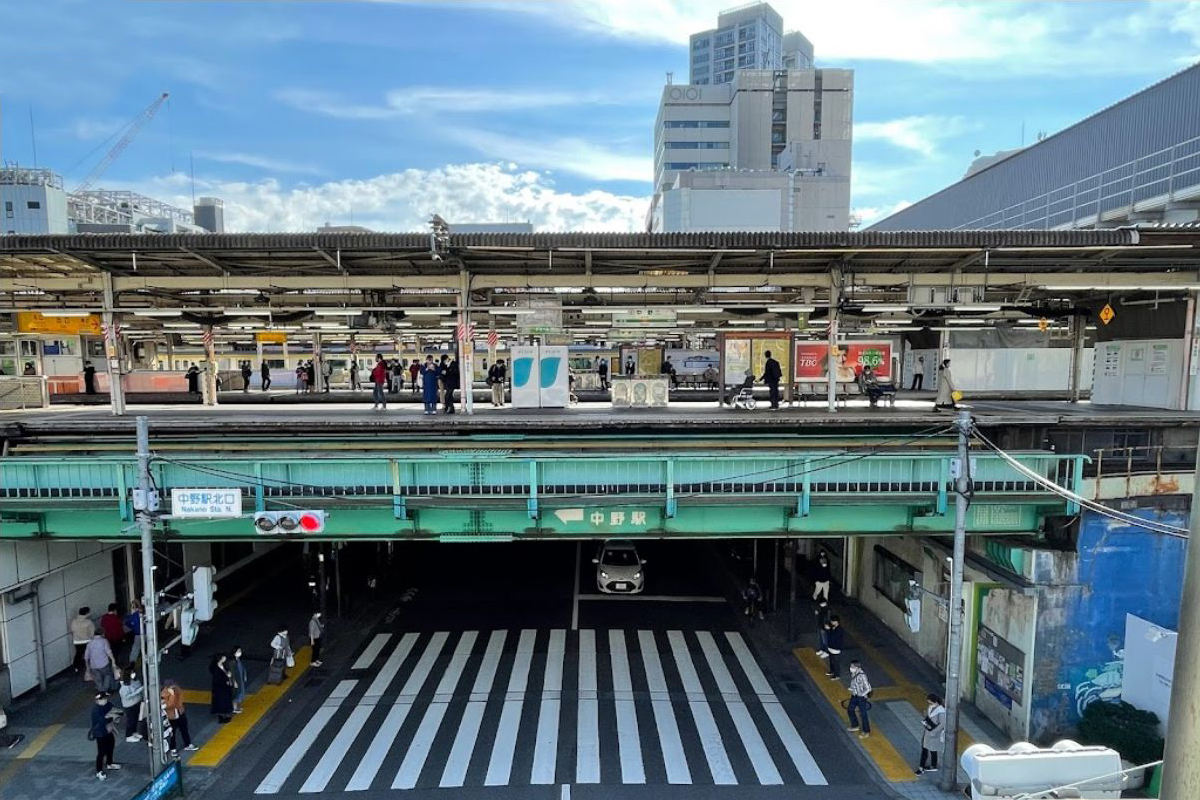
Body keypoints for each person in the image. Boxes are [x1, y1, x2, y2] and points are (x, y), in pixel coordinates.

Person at [90, 693, 121, 781]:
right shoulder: (96, 710)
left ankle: (109, 763)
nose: (105, 700)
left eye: (105, 698)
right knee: (101, 752)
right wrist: (110, 717)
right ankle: (99, 771)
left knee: (111, 746)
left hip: (108, 731)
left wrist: (115, 716)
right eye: (102, 699)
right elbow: (102, 720)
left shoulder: (108, 705)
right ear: (97, 701)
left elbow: (116, 711)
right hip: (100, 733)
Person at [160, 680, 196, 754]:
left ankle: (187, 744)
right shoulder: (164, 693)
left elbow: (172, 703)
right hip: (172, 715)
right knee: (172, 732)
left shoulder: (176, 690)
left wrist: (171, 696)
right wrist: (171, 695)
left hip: (178, 713)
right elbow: (171, 704)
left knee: (183, 730)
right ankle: (173, 748)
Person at [915, 693, 946, 775]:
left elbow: (942, 724)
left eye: (930, 702)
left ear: (935, 701)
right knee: (929, 749)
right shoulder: (931, 707)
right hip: (928, 732)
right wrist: (926, 717)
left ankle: (923, 767)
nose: (929, 704)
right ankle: (931, 766)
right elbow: (930, 718)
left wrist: (934, 732)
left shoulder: (941, 711)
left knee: (931, 749)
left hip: (934, 734)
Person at [846, 661, 873, 738]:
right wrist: (852, 689)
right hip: (854, 695)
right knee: (850, 709)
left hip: (861, 697)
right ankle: (855, 725)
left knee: (863, 714)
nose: (851, 668)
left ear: (857, 667)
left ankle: (866, 731)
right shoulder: (854, 673)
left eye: (852, 667)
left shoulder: (862, 676)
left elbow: (868, 688)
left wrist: (861, 694)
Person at [118, 671, 145, 743]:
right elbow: (126, 696)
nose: (133, 674)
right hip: (129, 706)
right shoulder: (124, 687)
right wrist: (138, 691)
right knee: (131, 720)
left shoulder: (134, 681)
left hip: (136, 703)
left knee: (135, 719)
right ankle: (128, 735)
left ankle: (133, 732)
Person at [210, 653, 234, 723]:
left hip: (222, 688)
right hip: (221, 689)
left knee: (222, 702)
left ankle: (222, 716)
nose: (224, 659)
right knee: (223, 702)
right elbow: (219, 678)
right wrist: (227, 676)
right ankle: (223, 716)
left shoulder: (220, 666)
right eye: (223, 658)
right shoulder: (217, 669)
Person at [71, 607, 95, 677]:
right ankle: (90, 667)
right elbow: (92, 632)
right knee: (89, 654)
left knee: (78, 653)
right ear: (86, 613)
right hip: (87, 640)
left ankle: (76, 667)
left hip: (76, 641)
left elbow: (72, 630)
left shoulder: (74, 621)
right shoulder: (88, 622)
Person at [124, 600, 144, 668]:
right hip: (147, 632)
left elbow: (129, 623)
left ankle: (132, 662)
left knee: (135, 648)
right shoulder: (144, 613)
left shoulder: (133, 616)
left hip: (138, 634)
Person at [231, 646, 248, 714]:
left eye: (240, 651)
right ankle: (234, 708)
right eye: (238, 651)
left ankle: (237, 707)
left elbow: (243, 668)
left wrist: (245, 675)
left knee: (240, 693)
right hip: (237, 680)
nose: (240, 652)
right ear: (234, 653)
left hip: (240, 679)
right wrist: (234, 681)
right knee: (236, 694)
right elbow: (232, 672)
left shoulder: (238, 660)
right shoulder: (233, 662)